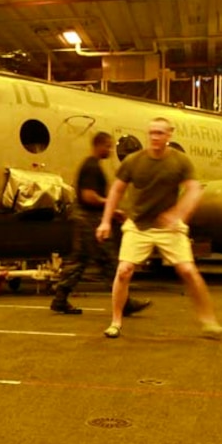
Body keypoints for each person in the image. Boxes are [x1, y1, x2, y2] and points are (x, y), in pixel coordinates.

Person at [97, 118, 222, 340]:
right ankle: (116, 321)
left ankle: (209, 321)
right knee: (124, 270)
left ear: (169, 136)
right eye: (152, 133)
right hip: (139, 225)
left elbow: (194, 190)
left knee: (188, 271)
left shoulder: (180, 162)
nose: (155, 137)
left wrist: (178, 214)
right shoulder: (134, 161)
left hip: (169, 227)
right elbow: (117, 191)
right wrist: (105, 221)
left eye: (160, 133)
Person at [50, 132, 152, 316]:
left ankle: (60, 299)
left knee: (78, 261)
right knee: (109, 260)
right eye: (108, 146)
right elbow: (89, 196)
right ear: (99, 145)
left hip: (83, 218)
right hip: (90, 220)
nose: (111, 150)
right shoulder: (92, 167)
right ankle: (125, 302)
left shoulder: (90, 165)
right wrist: (112, 207)